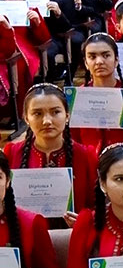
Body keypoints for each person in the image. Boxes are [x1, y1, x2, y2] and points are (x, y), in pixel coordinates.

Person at [3, 84, 98, 228]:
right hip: (25, 239)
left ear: (67, 116)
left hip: (74, 238)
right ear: (26, 118)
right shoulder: (11, 153)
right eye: (37, 113)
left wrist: (85, 220)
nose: (47, 121)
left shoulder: (86, 155)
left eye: (55, 112)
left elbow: (97, 205)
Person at [71, 33, 123, 153]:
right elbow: (73, 140)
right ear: (86, 63)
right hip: (91, 163)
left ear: (116, 60)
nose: (99, 62)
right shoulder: (77, 98)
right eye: (92, 57)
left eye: (106, 55)